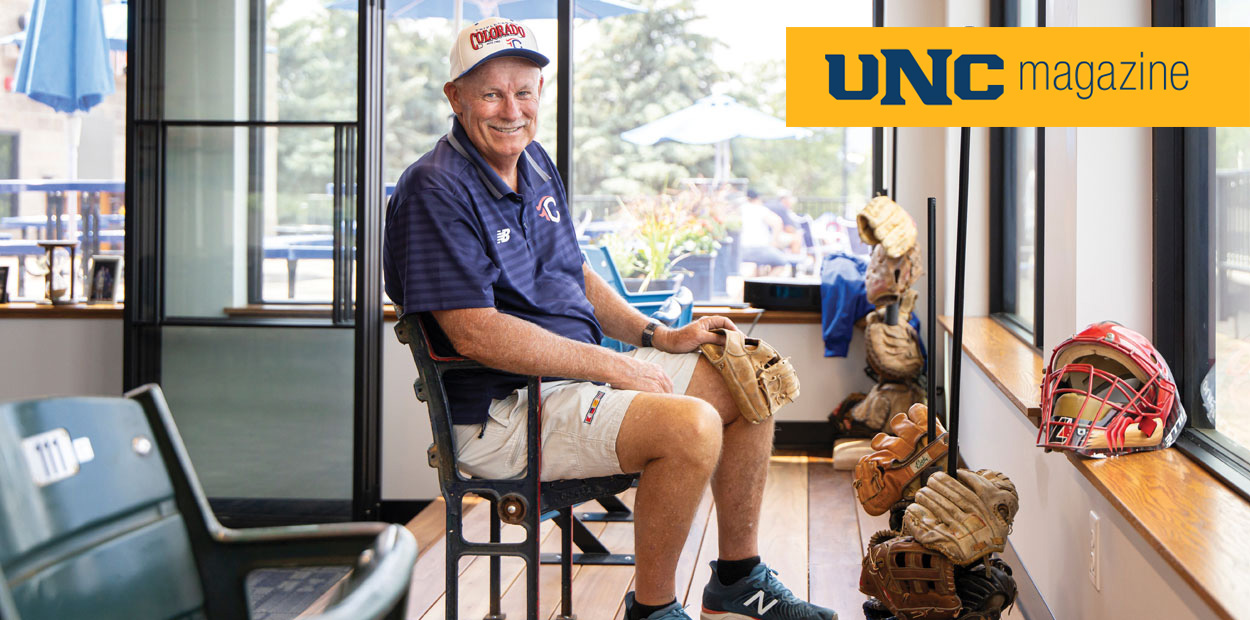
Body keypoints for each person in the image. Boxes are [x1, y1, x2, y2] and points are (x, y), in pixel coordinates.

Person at [383, 17, 835, 620]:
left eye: (524, 91)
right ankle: (652, 609)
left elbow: (578, 276)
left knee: (746, 375)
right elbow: (475, 331)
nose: (510, 109)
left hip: (570, 385)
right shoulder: (432, 190)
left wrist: (658, 336)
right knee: (692, 427)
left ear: (539, 94)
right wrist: (613, 368)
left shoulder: (535, 162)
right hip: (504, 412)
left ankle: (736, 579)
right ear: (455, 97)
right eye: (491, 93)